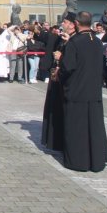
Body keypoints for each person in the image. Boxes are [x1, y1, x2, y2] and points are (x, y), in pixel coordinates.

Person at [58, 11, 107, 172]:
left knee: (77, 129)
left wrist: (59, 66)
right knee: (94, 127)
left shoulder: (75, 42)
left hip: (77, 90)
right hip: (93, 90)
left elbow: (68, 67)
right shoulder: (96, 41)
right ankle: (96, 161)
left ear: (77, 24)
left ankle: (78, 162)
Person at [40, 15, 74, 152]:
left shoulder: (76, 39)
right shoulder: (63, 38)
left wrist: (62, 56)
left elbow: (73, 60)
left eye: (65, 22)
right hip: (57, 77)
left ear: (72, 24)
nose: (62, 23)